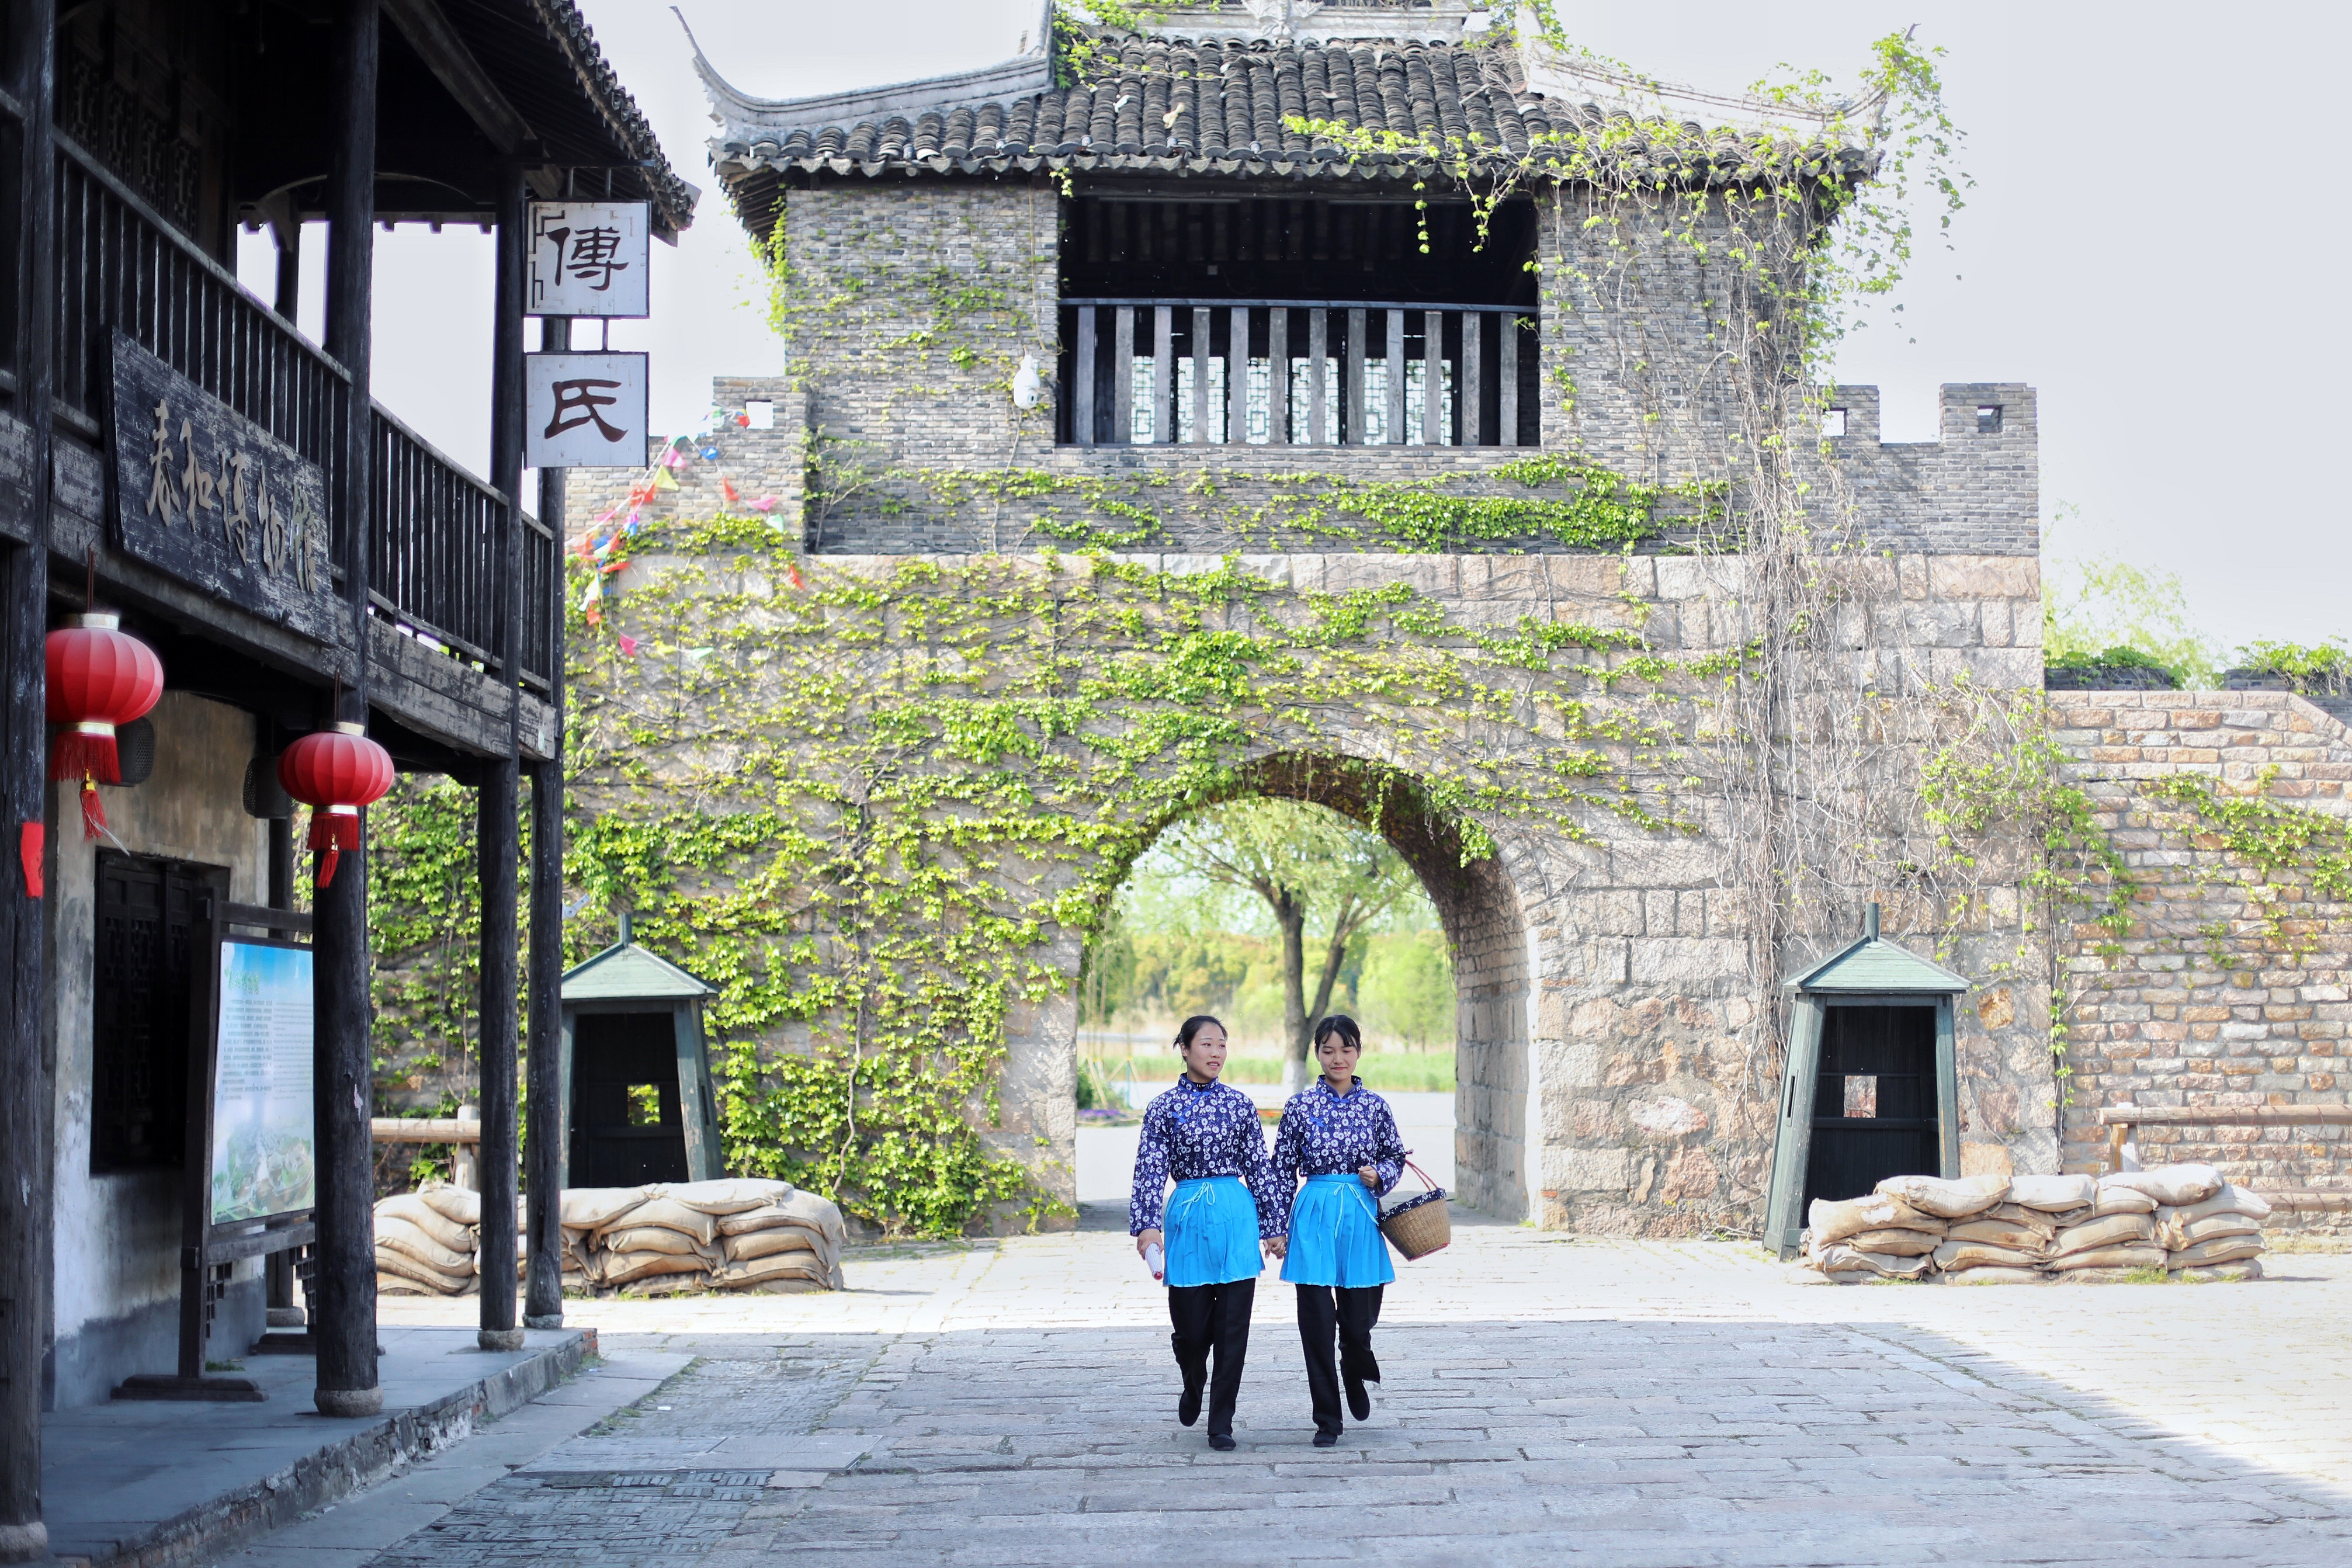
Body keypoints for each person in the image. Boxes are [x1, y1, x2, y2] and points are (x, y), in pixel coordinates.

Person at [1129, 1014, 1289, 1451]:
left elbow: (1259, 1166)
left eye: (1222, 1045)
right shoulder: (1163, 1107)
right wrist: (1148, 1227)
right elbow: (1149, 1169)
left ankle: (1222, 1421)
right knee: (1191, 1329)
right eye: (1206, 1044)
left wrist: (1275, 1227)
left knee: (1233, 1329)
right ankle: (1193, 1376)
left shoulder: (1240, 1105)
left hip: (1236, 1221)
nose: (1216, 1053)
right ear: (1183, 1048)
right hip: (1187, 1220)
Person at [1272, 1014, 1406, 1446]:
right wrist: (1274, 1226)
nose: (1338, 1059)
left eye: (1346, 1050)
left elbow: (1395, 1156)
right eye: (1328, 1050)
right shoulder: (1299, 1107)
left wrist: (1380, 1174)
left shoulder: (1376, 1106)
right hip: (1313, 1212)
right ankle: (1328, 1418)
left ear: (1358, 1052)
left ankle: (1355, 1363)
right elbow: (1279, 1170)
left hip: (1360, 1215)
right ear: (1317, 1053)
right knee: (1316, 1322)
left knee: (1358, 1320)